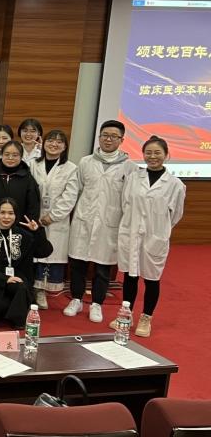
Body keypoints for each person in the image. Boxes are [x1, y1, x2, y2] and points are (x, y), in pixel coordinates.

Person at [116, 135, 185, 338]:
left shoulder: (175, 184)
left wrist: (158, 231)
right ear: (143, 154)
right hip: (131, 232)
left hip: (155, 237)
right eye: (148, 153)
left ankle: (146, 317)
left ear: (166, 155)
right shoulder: (133, 178)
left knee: (152, 279)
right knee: (130, 276)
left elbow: (175, 215)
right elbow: (125, 203)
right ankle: (126, 315)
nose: (152, 157)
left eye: (157, 153)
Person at [65, 120, 132, 324]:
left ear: (121, 140)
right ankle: (76, 299)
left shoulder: (129, 167)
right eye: (105, 135)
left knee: (103, 267)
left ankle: (97, 303)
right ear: (99, 137)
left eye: (113, 136)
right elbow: (77, 189)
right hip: (84, 219)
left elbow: (129, 198)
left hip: (109, 223)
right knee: (78, 263)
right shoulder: (86, 162)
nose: (108, 139)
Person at [0, 199, 53, 328]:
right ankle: (15, 311)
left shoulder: (25, 235)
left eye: (10, 213)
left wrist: (37, 231)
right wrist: (5, 279)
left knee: (21, 287)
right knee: (0, 306)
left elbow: (45, 252)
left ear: (16, 215)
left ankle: (19, 322)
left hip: (21, 280)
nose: (6, 217)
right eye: (3, 213)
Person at [30, 129, 79, 308]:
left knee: (51, 255)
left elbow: (70, 197)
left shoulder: (71, 168)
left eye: (59, 142)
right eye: (50, 140)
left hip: (56, 220)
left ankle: (43, 291)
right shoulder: (33, 164)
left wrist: (52, 216)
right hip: (34, 218)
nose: (54, 144)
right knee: (34, 254)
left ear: (65, 147)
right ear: (43, 143)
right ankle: (33, 289)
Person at [0, 141, 41, 232]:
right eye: (7, 154)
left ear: (21, 156)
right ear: (1, 155)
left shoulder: (28, 178)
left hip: (20, 229)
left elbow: (33, 206)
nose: (10, 158)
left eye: (15, 155)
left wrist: (29, 227)